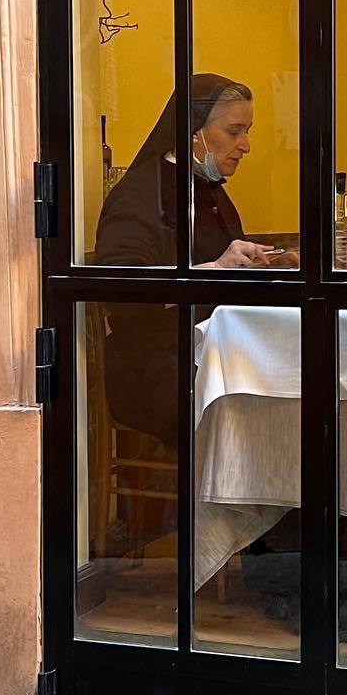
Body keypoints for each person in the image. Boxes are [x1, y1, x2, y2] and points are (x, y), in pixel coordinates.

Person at [95, 73, 275, 442]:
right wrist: (213, 269)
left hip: (208, 354)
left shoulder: (207, 188)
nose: (246, 145)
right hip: (157, 367)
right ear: (193, 132)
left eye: (247, 131)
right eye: (234, 131)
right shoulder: (142, 195)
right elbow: (120, 288)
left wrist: (267, 261)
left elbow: (224, 263)